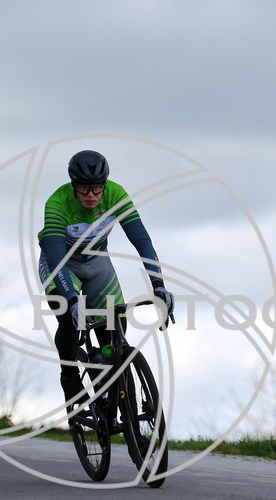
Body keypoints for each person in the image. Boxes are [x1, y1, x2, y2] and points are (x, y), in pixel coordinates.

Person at [38, 149, 174, 414]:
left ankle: (110, 381)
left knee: (115, 325)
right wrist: (72, 300)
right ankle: (69, 376)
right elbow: (55, 259)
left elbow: (142, 241)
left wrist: (159, 286)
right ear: (73, 185)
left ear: (105, 186)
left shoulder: (116, 195)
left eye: (97, 188)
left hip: (96, 261)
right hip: (61, 263)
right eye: (84, 189)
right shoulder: (57, 202)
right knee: (69, 316)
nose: (91, 195)